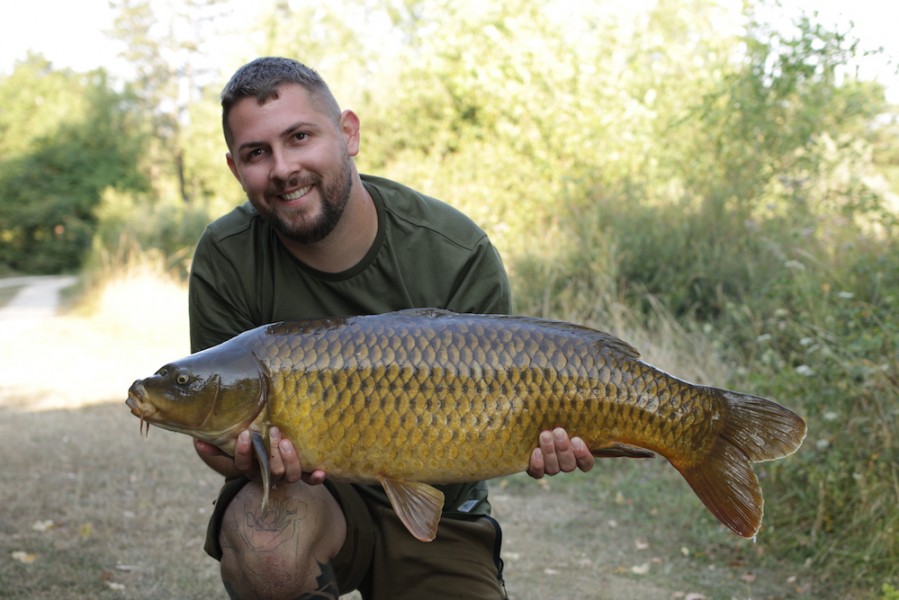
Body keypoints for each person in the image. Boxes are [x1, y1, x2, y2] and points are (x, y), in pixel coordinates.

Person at [188, 56, 595, 600]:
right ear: (236, 169)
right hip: (310, 499)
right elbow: (224, 441)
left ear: (348, 133)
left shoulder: (455, 251)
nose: (283, 168)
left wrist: (552, 439)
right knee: (265, 544)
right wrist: (227, 452)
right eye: (257, 153)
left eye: (300, 136)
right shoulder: (226, 255)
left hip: (442, 507)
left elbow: (511, 413)